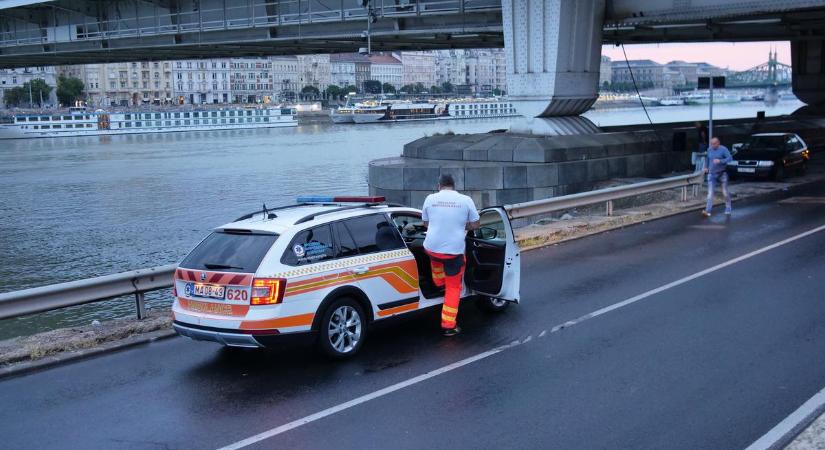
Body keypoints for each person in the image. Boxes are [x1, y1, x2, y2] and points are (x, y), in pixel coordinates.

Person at [422, 174, 480, 336]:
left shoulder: (430, 198)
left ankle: (439, 283)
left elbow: (426, 223)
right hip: (454, 251)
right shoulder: (466, 200)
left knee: (436, 259)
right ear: (454, 186)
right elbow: (476, 224)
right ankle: (449, 325)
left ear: (439, 185)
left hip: (431, 248)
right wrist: (462, 224)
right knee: (454, 287)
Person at [703, 137, 733, 217]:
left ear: (718, 143)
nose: (713, 145)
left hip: (722, 174)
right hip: (712, 174)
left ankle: (728, 207)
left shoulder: (723, 149)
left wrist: (721, 161)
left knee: (725, 192)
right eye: (711, 144)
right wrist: (706, 167)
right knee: (710, 193)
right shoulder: (709, 149)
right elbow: (707, 159)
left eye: (714, 144)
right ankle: (708, 210)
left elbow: (730, 158)